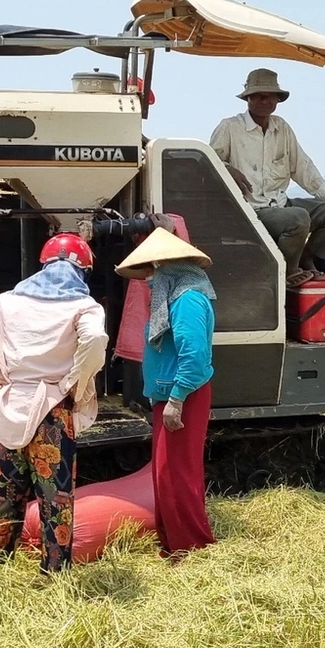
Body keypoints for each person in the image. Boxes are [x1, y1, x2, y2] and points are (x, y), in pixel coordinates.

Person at [0, 233, 108, 574]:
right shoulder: (83, 306)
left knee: (3, 493)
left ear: (43, 265)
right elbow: (96, 339)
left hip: (9, 405)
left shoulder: (7, 302)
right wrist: (75, 380)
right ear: (82, 271)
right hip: (51, 412)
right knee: (55, 499)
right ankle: (54, 573)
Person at [115, 228, 217, 556]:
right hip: (169, 396)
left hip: (182, 397)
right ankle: (173, 543)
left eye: (154, 271)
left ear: (168, 268)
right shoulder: (178, 297)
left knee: (178, 474)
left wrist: (176, 399)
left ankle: (192, 545)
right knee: (165, 473)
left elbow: (194, 356)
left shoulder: (187, 300)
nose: (149, 280)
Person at [209, 68, 325, 287]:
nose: (264, 101)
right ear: (248, 98)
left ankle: (307, 259)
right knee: (297, 218)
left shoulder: (282, 128)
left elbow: (302, 166)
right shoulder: (230, 128)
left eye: (270, 96)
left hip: (279, 203)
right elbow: (208, 164)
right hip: (250, 211)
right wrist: (227, 168)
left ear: (278, 99)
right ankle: (285, 270)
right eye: (258, 95)